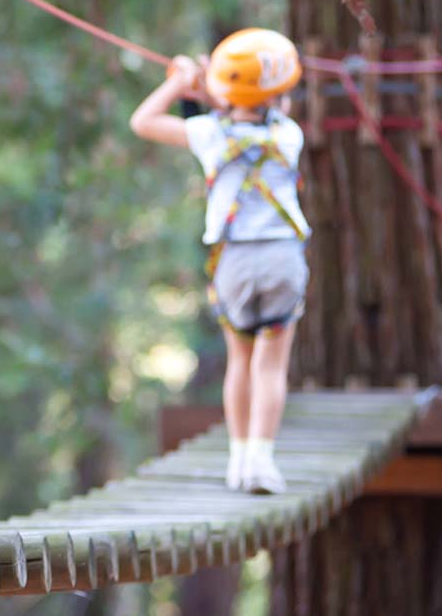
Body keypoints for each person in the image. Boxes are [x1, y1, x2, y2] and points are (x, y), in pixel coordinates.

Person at [129, 29, 309, 494]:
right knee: (271, 366)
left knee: (240, 361)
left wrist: (180, 82)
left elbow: (144, 121)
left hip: (233, 261)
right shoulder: (289, 135)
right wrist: (211, 81)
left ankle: (237, 460)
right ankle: (262, 462)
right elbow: (254, 98)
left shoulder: (208, 134)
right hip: (282, 259)